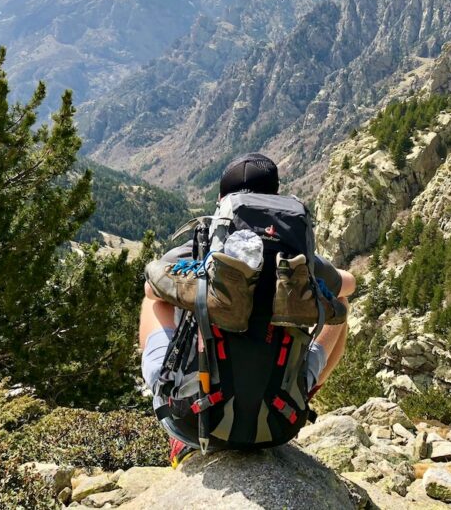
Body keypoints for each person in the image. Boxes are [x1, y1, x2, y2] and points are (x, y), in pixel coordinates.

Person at [138, 153, 356, 464]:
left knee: (154, 300)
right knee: (339, 306)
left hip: (193, 422)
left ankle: (177, 400)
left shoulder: (205, 244)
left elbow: (151, 286)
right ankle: (300, 394)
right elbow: (349, 283)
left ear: (221, 200)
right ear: (276, 197)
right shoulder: (296, 255)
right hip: (280, 422)